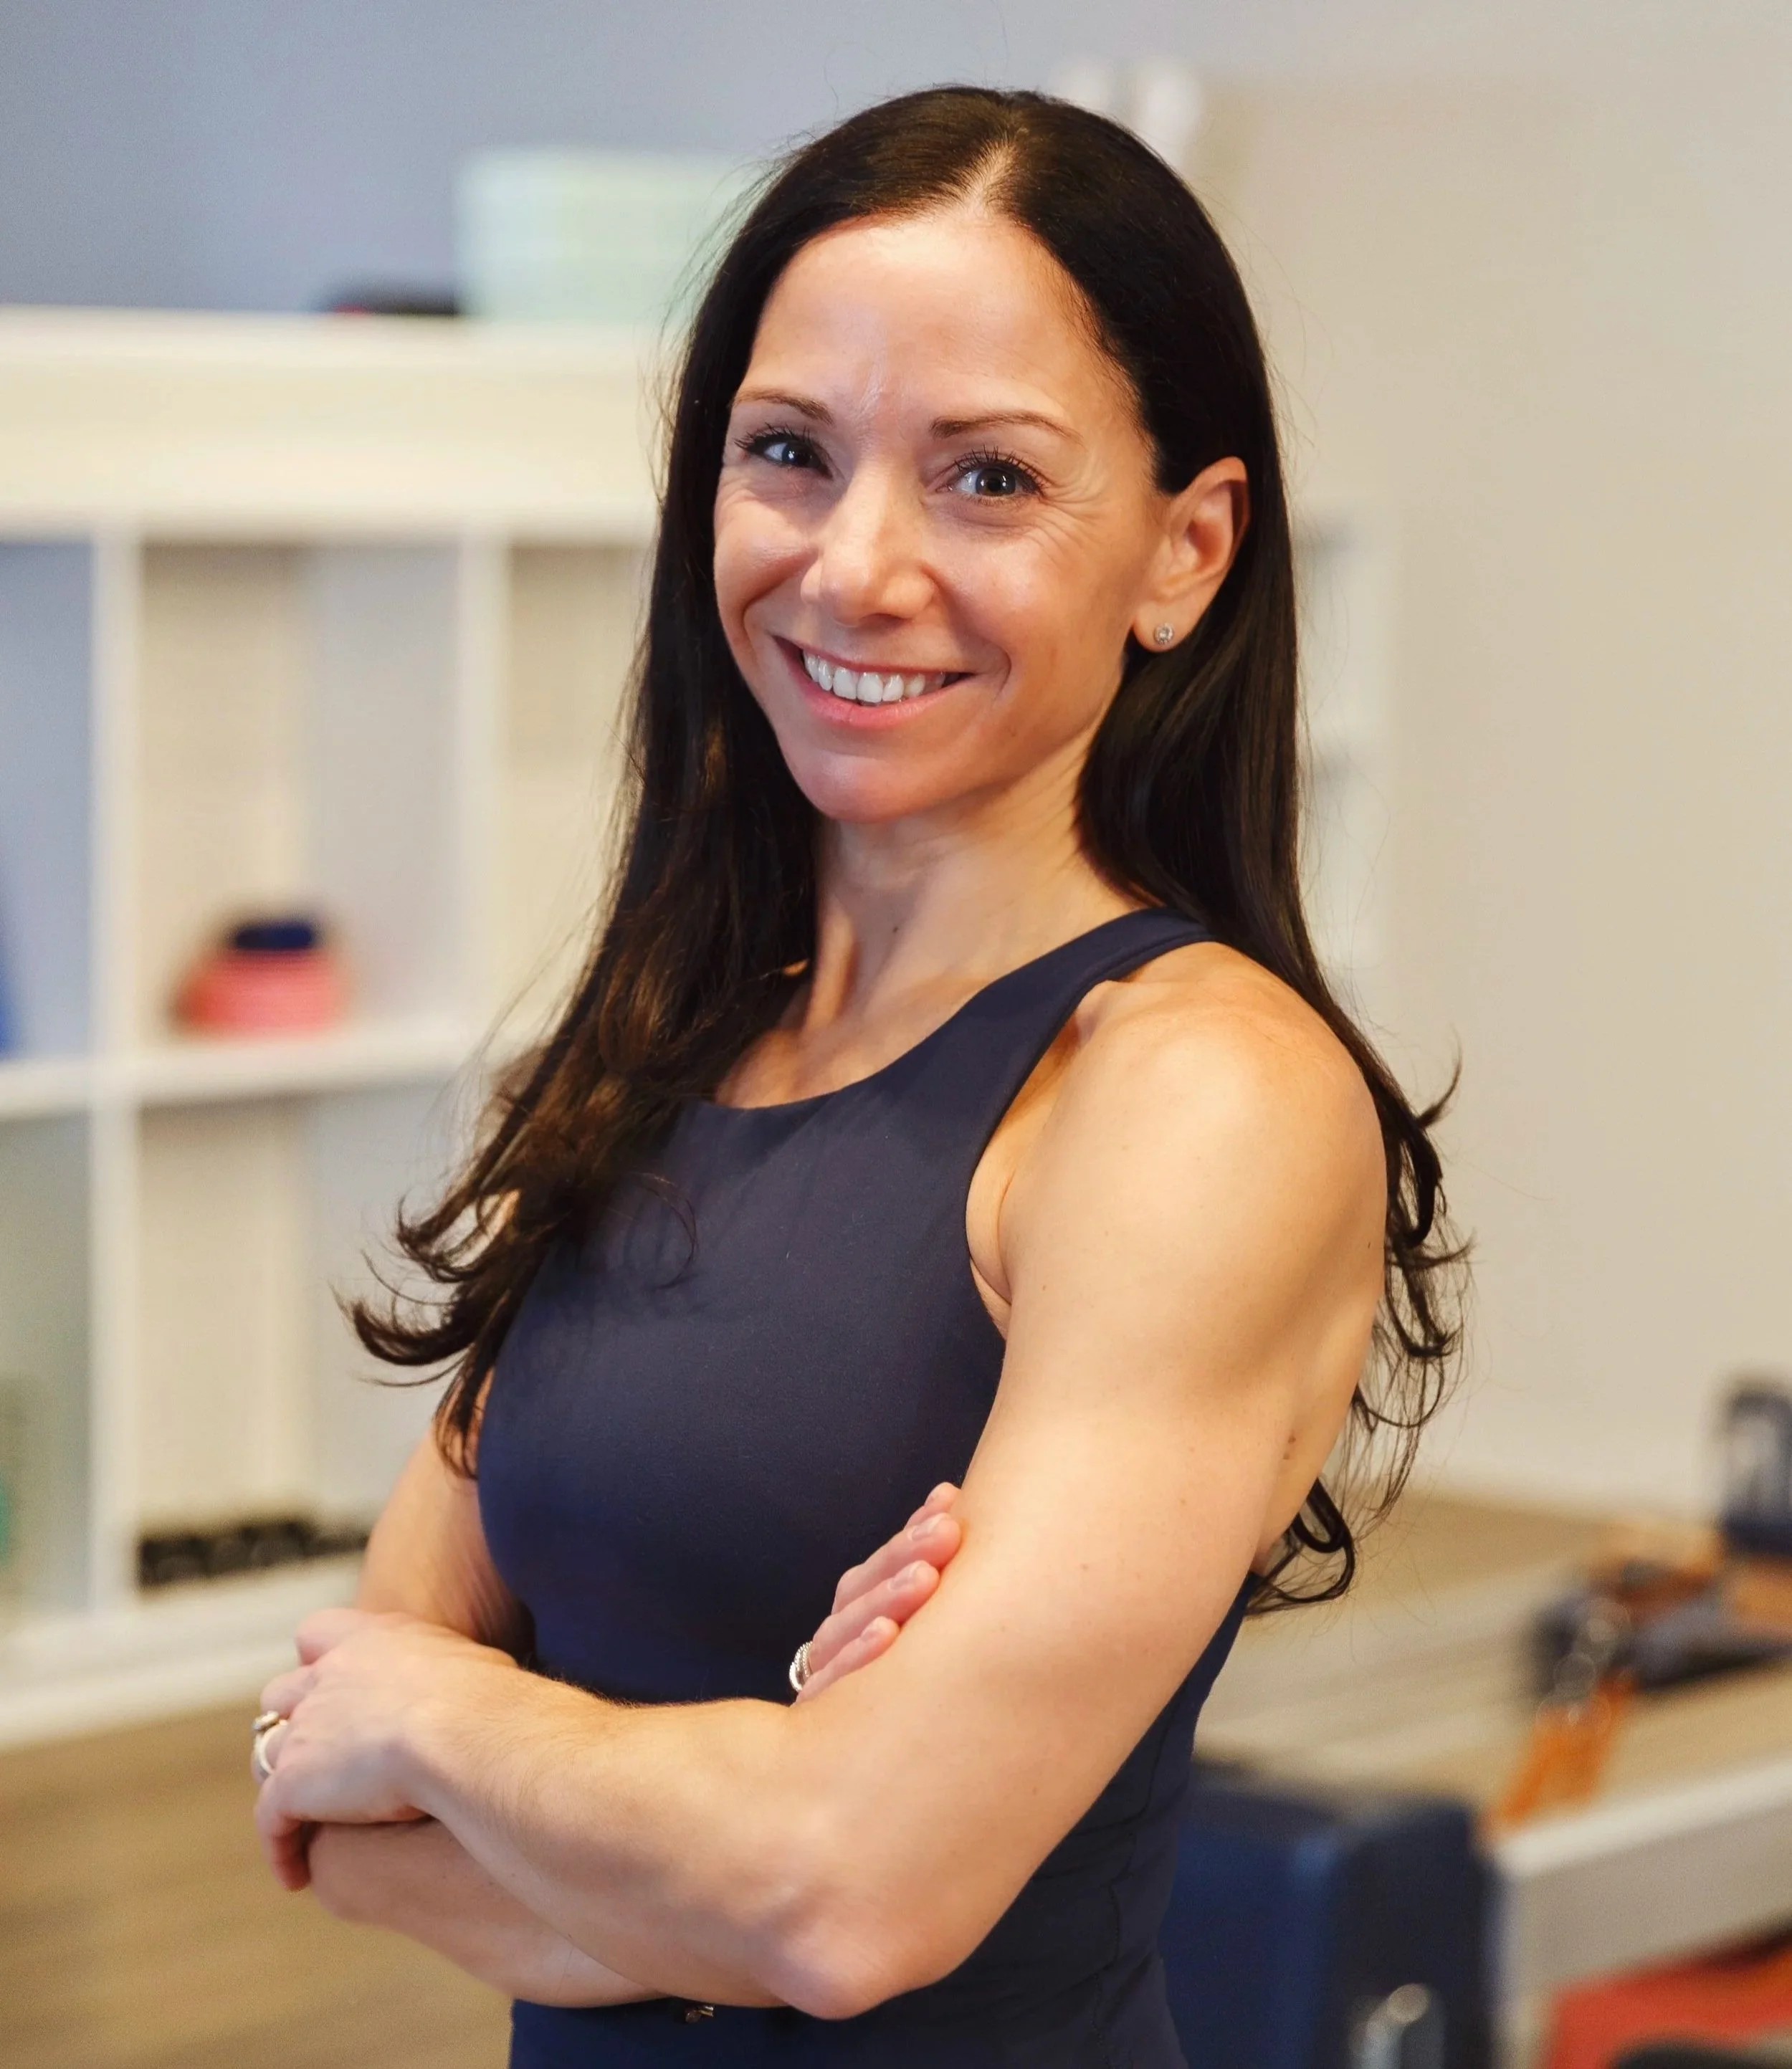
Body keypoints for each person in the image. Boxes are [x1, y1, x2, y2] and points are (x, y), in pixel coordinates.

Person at [249, 86, 1459, 2066]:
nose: (854, 566)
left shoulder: (1196, 1095)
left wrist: (464, 1720)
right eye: (787, 454)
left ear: (1183, 550)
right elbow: (339, 1814)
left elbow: (851, 1889)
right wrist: (756, 1833)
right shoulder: (647, 1051)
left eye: (985, 480)